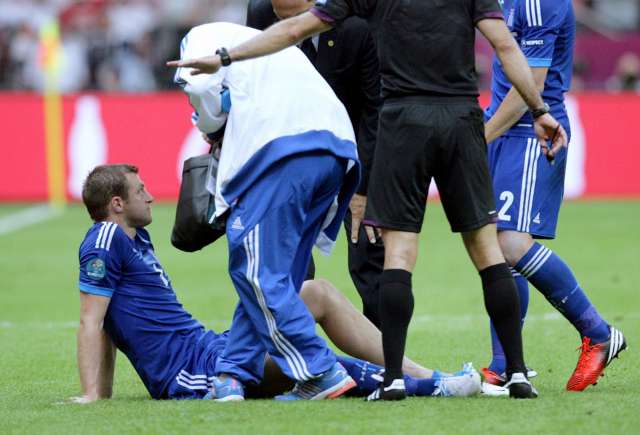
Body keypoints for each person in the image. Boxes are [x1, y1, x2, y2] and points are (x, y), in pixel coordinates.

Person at [167, 0, 568, 400]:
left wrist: (225, 56)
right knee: (486, 249)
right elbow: (505, 46)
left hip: (402, 120)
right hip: (460, 118)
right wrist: (539, 109)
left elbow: (292, 31)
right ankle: (516, 373)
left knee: (398, 252)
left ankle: (390, 379)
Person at [74, 164, 481, 402]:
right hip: (191, 370)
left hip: (210, 347)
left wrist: (103, 394)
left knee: (315, 294)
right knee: (309, 361)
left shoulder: (135, 240)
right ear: (116, 204)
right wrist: (94, 396)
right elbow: (93, 322)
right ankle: (430, 385)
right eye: (140, 191)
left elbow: (109, 324)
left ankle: (415, 371)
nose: (149, 196)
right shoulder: (106, 241)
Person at [172, 21, 365, 401]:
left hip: (281, 151)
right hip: (333, 151)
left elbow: (200, 85)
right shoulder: (258, 46)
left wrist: (209, 124)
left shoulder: (199, 40)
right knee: (278, 272)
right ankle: (234, 372)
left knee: (255, 270)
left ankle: (319, 370)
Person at [482, 0, 626, 392]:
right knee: (497, 249)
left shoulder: (536, 2)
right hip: (504, 129)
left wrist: (482, 137)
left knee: (510, 244)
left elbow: (533, 83)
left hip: (528, 134)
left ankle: (597, 333)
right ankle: (505, 365)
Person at [246, 0, 384, 327]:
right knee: (288, 265)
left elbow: (373, 111)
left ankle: (384, 365)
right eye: (280, 18)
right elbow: (251, 87)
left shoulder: (356, 27)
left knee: (369, 255)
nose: (287, 29)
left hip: (353, 154)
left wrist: (362, 190)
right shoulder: (261, 13)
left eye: (294, 18)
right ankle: (295, 364)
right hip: (290, 158)